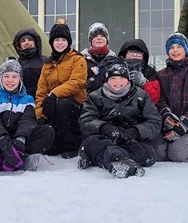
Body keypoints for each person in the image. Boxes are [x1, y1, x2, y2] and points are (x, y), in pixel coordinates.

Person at [0, 59, 55, 174]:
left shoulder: (27, 99)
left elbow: (27, 120)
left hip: (19, 141)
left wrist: (20, 141)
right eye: (6, 76)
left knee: (47, 131)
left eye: (14, 77)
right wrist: (2, 139)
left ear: (20, 80)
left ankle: (5, 160)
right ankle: (17, 160)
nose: (10, 80)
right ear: (1, 79)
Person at [78, 61, 160, 178]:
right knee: (93, 142)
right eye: (113, 78)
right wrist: (103, 128)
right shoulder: (95, 96)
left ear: (128, 80)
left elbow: (154, 122)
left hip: (130, 138)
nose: (117, 82)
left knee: (148, 155)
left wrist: (136, 132)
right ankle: (119, 160)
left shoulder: (141, 96)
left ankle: (99, 157)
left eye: (121, 78)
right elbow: (86, 120)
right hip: (104, 138)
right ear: (107, 80)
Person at [152, 33, 188, 162]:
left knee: (178, 153)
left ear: (186, 49)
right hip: (169, 126)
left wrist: (185, 122)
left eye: (179, 46)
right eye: (171, 47)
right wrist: (166, 114)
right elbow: (159, 100)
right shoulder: (161, 74)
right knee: (157, 153)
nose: (175, 50)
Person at [36, 22, 87, 159]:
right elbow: (41, 91)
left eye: (63, 40)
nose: (60, 43)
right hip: (52, 103)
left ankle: (72, 143)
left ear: (69, 42)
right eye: (56, 40)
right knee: (51, 105)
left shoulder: (78, 59)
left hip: (74, 105)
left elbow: (76, 82)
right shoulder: (47, 65)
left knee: (62, 103)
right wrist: (40, 114)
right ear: (52, 42)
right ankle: (57, 141)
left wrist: (54, 94)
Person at [81, 22, 120, 94]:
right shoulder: (81, 60)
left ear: (107, 40)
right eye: (95, 36)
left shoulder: (115, 61)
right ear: (90, 41)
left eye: (102, 36)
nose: (99, 38)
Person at [118, 39, 160, 104]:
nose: (135, 54)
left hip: (143, 109)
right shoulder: (116, 69)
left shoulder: (150, 72)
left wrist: (144, 83)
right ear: (124, 53)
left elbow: (155, 99)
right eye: (131, 51)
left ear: (144, 55)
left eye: (139, 52)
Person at [12, 28, 47, 98]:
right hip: (22, 99)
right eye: (23, 41)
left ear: (35, 42)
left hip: (42, 97)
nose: (27, 42)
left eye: (30, 40)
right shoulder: (15, 63)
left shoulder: (45, 61)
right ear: (19, 45)